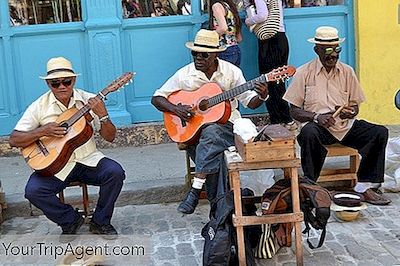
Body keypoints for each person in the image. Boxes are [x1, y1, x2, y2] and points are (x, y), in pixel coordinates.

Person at [151, 29, 269, 214]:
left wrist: (262, 96)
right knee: (215, 152)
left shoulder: (232, 72)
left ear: (216, 54)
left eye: (203, 54)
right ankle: (221, 212)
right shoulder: (185, 74)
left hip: (227, 127)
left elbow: (249, 102)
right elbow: (157, 98)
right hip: (194, 133)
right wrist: (177, 110)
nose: (198, 57)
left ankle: (197, 190)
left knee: (213, 132)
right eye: (194, 53)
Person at [9, 57, 126, 240]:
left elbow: (110, 137)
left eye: (66, 81)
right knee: (33, 191)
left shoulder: (89, 101)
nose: (62, 86)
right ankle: (70, 220)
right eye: (56, 83)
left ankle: (100, 221)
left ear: (74, 81)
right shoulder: (39, 106)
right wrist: (43, 131)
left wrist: (103, 116)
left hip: (89, 160)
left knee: (115, 172)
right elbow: (14, 139)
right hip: (57, 166)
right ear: (48, 84)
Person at [283, 26, 391, 205]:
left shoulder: (347, 71)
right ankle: (311, 187)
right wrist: (317, 117)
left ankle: (364, 186)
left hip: (344, 126)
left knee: (379, 132)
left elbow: (355, 105)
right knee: (309, 133)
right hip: (318, 127)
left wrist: (352, 111)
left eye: (336, 50)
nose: (333, 55)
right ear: (316, 50)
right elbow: (293, 110)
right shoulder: (304, 72)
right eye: (328, 50)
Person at [245, 0, 296, 130]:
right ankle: (286, 119)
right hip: (280, 39)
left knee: (268, 82)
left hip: (269, 41)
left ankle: (278, 120)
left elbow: (262, 15)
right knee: (279, 82)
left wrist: (248, 21)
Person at [208, 0, 242, 67]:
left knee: (223, 76)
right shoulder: (230, 6)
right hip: (235, 48)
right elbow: (239, 38)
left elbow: (223, 28)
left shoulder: (217, 6)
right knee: (233, 76)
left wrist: (209, 38)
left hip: (223, 50)